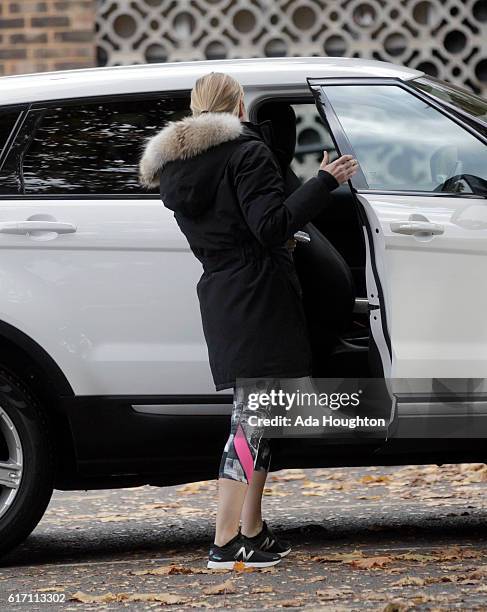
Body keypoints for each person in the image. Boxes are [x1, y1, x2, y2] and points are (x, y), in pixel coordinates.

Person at [139, 72, 358, 569]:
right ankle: (223, 541)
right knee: (248, 424)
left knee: (260, 419)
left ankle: (251, 529)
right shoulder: (247, 152)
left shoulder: (178, 168)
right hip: (259, 293)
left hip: (223, 291)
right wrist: (324, 181)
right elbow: (271, 226)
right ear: (238, 104)